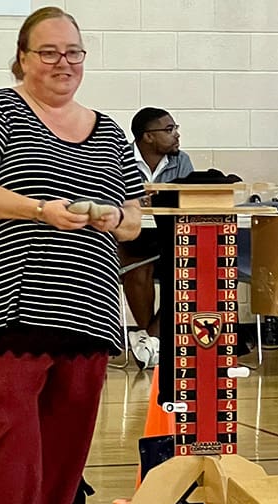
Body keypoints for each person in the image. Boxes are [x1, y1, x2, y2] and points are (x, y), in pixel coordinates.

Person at [0, 7, 143, 504]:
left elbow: (133, 218)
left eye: (74, 52)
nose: (64, 63)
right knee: (3, 437)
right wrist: (39, 210)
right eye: (49, 52)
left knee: (65, 440)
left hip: (87, 311)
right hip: (0, 307)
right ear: (23, 58)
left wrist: (111, 218)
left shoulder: (107, 128)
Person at [123, 107, 194, 369]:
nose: (176, 135)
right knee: (138, 269)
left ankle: (149, 340)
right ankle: (150, 339)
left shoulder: (181, 161)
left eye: (175, 129)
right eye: (169, 130)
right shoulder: (120, 160)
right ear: (148, 137)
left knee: (188, 272)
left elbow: (187, 199)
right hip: (131, 234)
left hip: (170, 235)